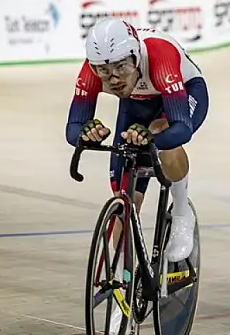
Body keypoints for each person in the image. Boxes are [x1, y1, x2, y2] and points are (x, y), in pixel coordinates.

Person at [65, 17, 209, 264]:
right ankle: (124, 279)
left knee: (161, 129)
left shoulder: (159, 55)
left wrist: (152, 136)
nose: (114, 79)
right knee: (125, 202)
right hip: (135, 104)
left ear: (136, 56)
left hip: (183, 92)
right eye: (105, 72)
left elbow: (182, 128)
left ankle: (182, 213)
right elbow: (73, 128)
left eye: (122, 67)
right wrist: (87, 132)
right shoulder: (93, 69)